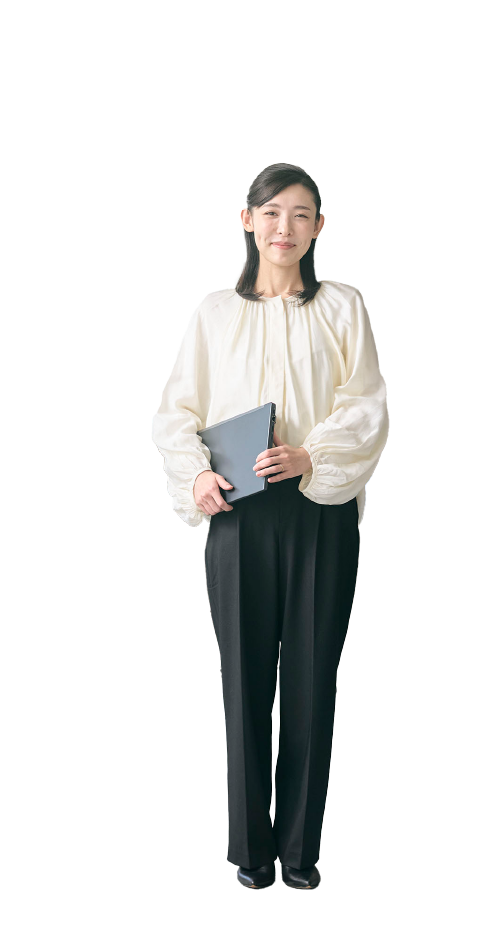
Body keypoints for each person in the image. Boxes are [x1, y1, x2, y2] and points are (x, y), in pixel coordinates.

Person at [151, 162, 390, 891]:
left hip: (321, 508)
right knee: (244, 680)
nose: (285, 227)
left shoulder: (343, 306)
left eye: (301, 214)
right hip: (238, 514)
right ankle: (251, 849)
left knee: (314, 681)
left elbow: (367, 403)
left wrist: (311, 455)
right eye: (272, 212)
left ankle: (299, 850)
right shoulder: (214, 313)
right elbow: (176, 411)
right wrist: (196, 474)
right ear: (247, 219)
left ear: (319, 228)